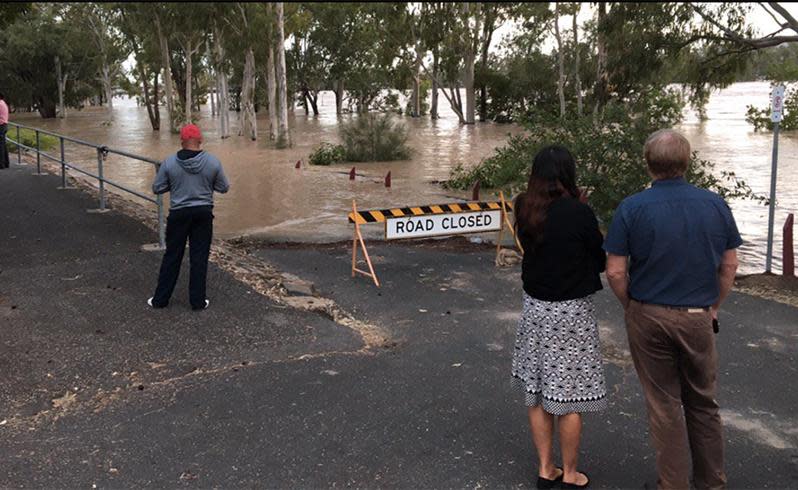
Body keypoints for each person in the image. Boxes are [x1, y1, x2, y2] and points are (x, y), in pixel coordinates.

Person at [603, 129, 741, 490]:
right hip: (698, 315)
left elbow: (615, 270)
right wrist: (713, 306)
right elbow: (729, 266)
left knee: (664, 404)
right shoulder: (715, 204)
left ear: (648, 164)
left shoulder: (631, 207)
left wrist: (631, 307)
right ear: (687, 162)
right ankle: (711, 482)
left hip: (649, 314)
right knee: (703, 402)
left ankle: (673, 485)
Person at [511, 145, 607, 490]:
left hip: (535, 308)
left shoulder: (522, 206)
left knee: (537, 393)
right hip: (571, 313)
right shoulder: (578, 213)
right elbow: (599, 258)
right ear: (568, 174)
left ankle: (544, 469)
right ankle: (569, 474)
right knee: (569, 397)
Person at [148, 124, 230, 310]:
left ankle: (160, 300)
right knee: (199, 257)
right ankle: (198, 302)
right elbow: (224, 187)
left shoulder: (169, 163)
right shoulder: (213, 162)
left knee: (172, 256)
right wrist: (206, 184)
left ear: (182, 141)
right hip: (203, 213)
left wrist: (176, 184)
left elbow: (157, 188)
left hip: (179, 214)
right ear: (200, 140)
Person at [0, 92, 10, 170]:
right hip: (4, 125)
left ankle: (1, 164)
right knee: (3, 145)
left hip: (1, 125)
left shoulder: (0, 104)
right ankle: (6, 163)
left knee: (0, 145)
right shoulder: (3, 103)